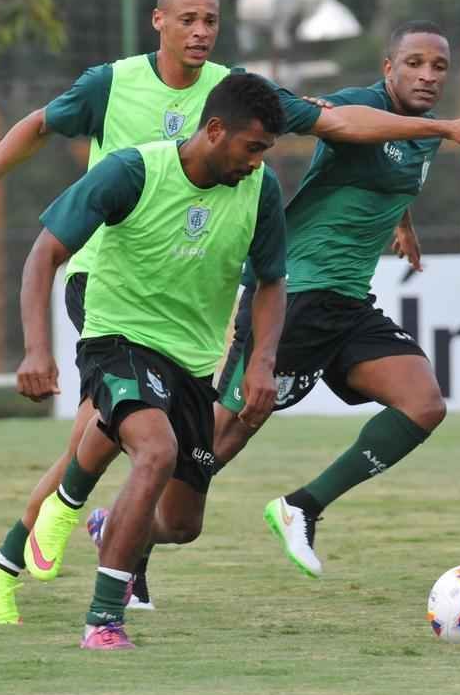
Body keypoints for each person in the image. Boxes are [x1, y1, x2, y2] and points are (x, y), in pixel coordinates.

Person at [0, 0, 460, 624]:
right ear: (159, 21)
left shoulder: (238, 93)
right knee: (131, 436)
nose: (201, 31)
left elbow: (341, 129)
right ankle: (74, 570)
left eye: (211, 20)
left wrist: (406, 207)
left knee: (133, 453)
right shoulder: (111, 83)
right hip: (106, 279)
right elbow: (38, 126)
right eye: (188, 19)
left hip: (188, 300)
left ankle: (12, 562)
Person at [93, 20, 460, 579]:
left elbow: (392, 174)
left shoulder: (425, 133)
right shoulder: (361, 107)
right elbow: (338, 126)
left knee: (424, 403)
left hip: (347, 303)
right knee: (221, 437)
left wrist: (403, 224)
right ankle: (130, 540)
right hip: (299, 293)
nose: (427, 75)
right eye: (414, 62)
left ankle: (301, 507)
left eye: (438, 66)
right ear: (388, 68)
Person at [16, 72, 289, 650]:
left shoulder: (261, 190)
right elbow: (45, 253)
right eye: (253, 148)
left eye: (266, 151)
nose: (258, 161)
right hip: (117, 339)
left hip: (191, 366)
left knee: (184, 525)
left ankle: (111, 525)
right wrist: (38, 349)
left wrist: (261, 363)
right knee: (156, 450)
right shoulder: (133, 171)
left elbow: (270, 283)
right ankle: (103, 621)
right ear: (215, 130)